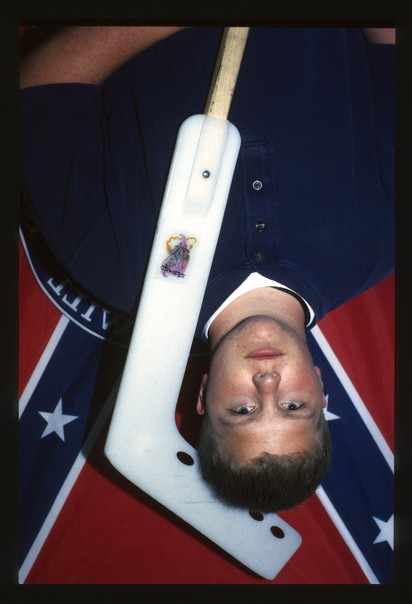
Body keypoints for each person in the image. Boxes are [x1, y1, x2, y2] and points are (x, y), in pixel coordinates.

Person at [19, 25, 395, 513]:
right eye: (293, 407)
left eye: (242, 410)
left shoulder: (111, 268)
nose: (267, 383)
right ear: (321, 391)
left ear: (202, 397)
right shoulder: (383, 239)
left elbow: (40, 88)